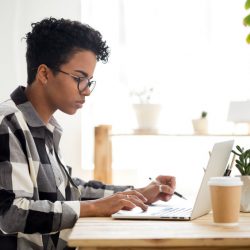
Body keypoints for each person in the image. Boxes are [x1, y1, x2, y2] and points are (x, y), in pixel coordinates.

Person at [0, 17, 176, 250]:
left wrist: (136, 193)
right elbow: (10, 213)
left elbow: (71, 190)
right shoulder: (8, 123)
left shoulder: (46, 127)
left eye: (89, 81)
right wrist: (94, 207)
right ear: (44, 74)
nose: (86, 91)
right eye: (79, 78)